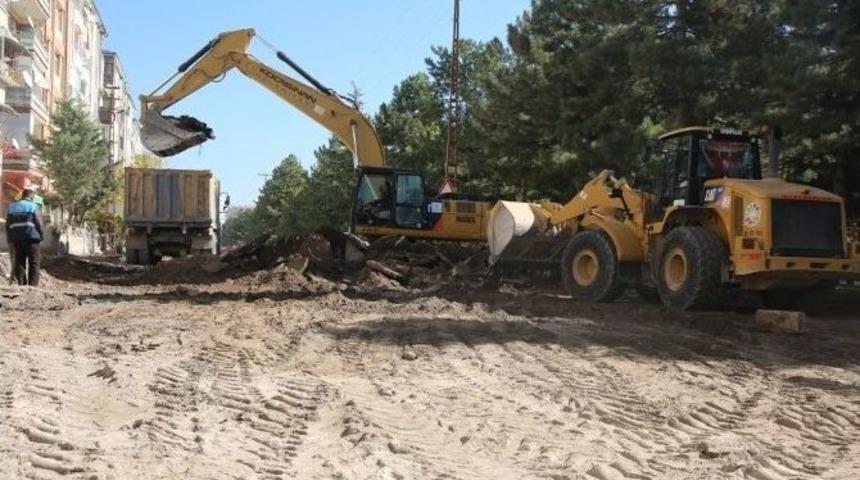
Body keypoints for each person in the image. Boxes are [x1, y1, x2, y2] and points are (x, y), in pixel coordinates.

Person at [5, 188, 43, 286]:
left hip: (16, 238)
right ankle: (32, 286)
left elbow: (7, 225)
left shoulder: (11, 207)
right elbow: (39, 223)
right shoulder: (33, 206)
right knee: (34, 262)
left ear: (22, 196)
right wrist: (41, 236)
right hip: (32, 238)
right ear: (31, 196)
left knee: (19, 262)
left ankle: (22, 285)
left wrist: (9, 239)